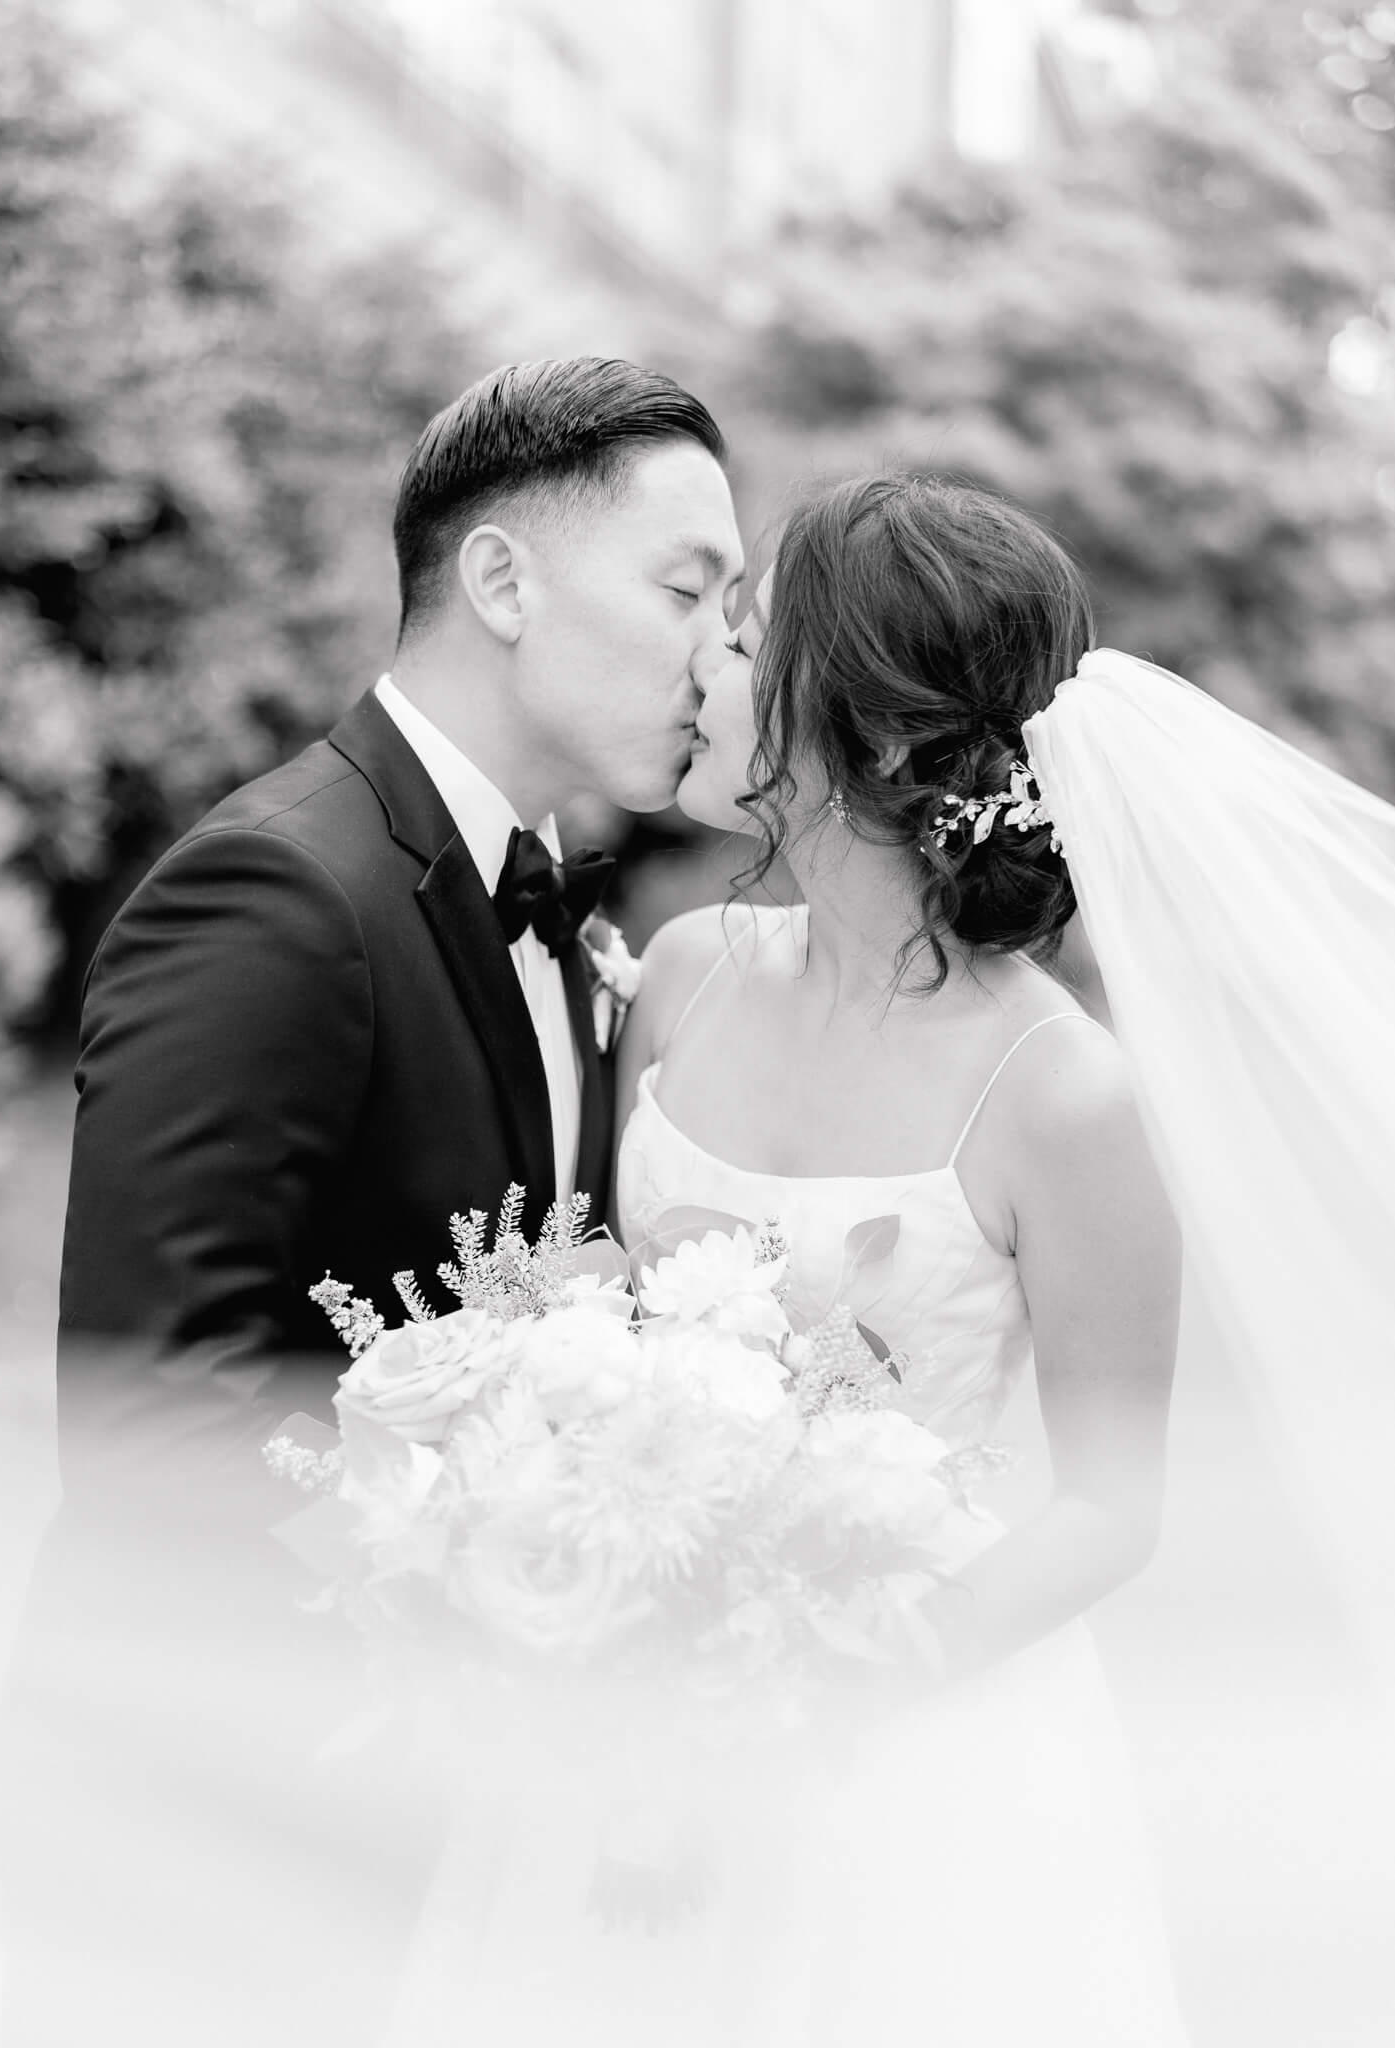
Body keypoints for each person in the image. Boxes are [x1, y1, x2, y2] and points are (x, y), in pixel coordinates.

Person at [0, 357, 745, 2048]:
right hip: (201, 1849)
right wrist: (495, 1609)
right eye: (685, 587)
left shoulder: (570, 923)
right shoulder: (274, 888)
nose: (716, 652)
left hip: (441, 1851)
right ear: (501, 579)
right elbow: (151, 1411)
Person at [382, 473, 1191, 2045]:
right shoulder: (685, 975)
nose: (697, 671)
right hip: (620, 1721)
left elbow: (1111, 1506)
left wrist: (818, 1684)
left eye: (740, 640)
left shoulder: (1062, 1094)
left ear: (877, 738)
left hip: (905, 1766)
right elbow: (592, 1319)